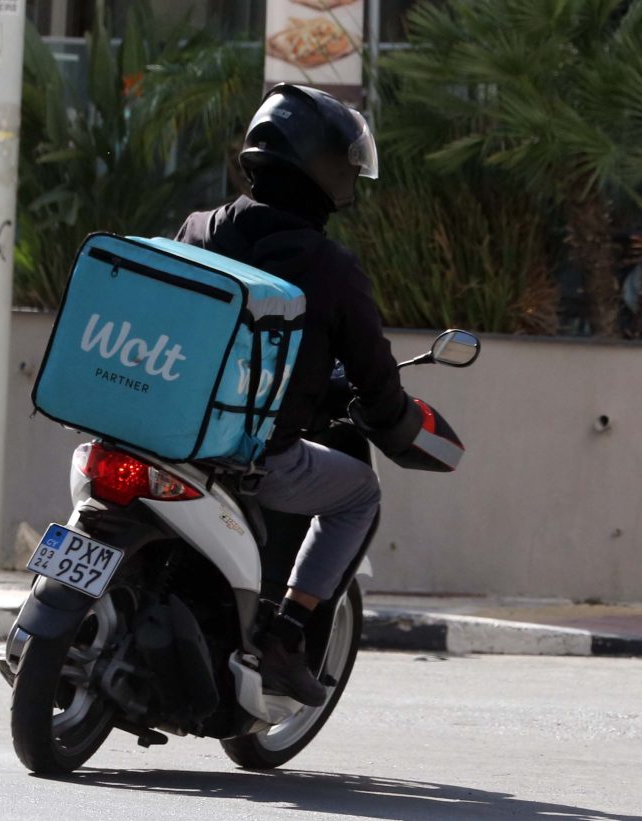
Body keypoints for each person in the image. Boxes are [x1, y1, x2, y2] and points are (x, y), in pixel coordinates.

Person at [175, 83, 407, 706]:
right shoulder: (331, 268)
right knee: (360, 493)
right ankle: (285, 635)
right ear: (324, 169)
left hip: (163, 433)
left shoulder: (198, 230)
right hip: (248, 455)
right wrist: (395, 417)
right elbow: (374, 374)